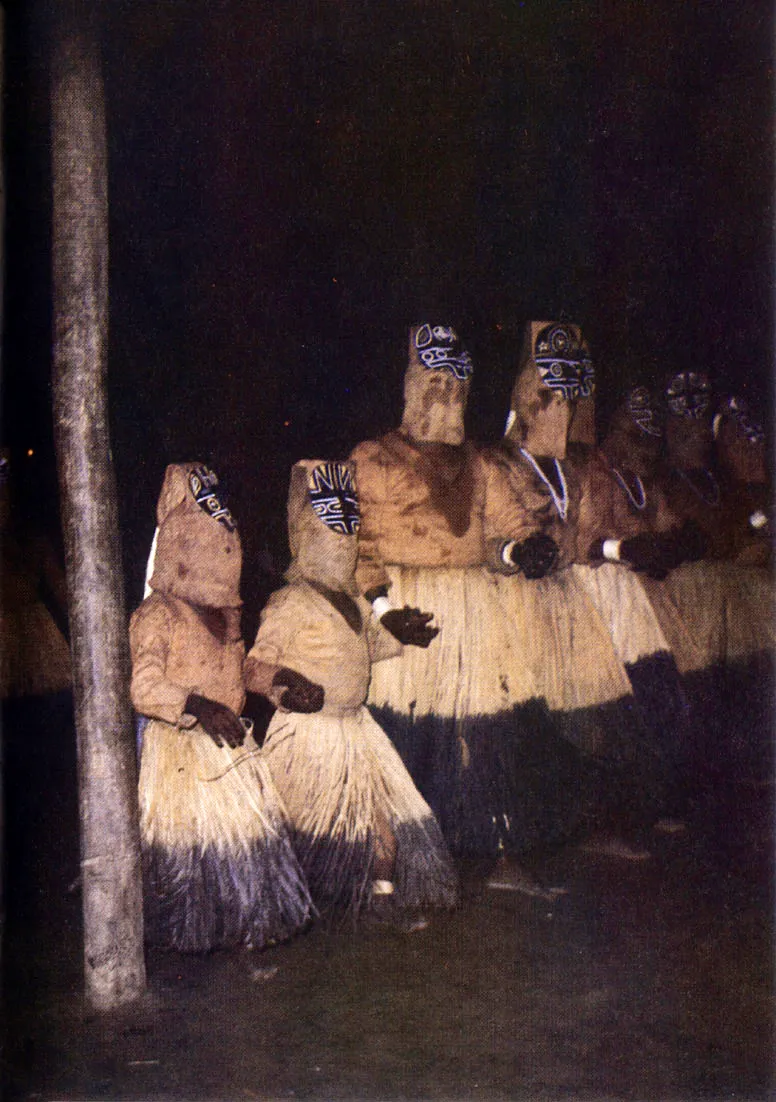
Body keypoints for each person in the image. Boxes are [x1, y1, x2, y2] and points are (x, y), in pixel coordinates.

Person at [350, 324, 569, 896]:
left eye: (457, 387)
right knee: (402, 734)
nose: (447, 397)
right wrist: (381, 610)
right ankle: (384, 869)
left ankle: (501, 855)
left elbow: (503, 531)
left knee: (488, 733)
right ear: (413, 385)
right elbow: (356, 548)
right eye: (436, 383)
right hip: (405, 611)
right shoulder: (372, 459)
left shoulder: (478, 462)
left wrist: (524, 549)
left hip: (473, 610)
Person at [245, 458, 458, 926]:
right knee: (300, 830)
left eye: (349, 526)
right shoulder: (290, 602)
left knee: (383, 827)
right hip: (308, 737)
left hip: (356, 730)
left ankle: (379, 903)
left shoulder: (357, 603)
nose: (343, 538)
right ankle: (288, 901)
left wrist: (406, 632)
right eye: (331, 525)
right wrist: (286, 683)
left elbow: (373, 648)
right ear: (306, 530)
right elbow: (255, 667)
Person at [490, 321, 663, 860]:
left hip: (566, 603)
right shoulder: (495, 463)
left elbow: (584, 538)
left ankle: (585, 827)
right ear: (528, 402)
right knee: (521, 727)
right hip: (513, 605)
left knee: (589, 718)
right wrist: (514, 552)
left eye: (569, 397)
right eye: (550, 398)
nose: (561, 409)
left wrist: (616, 550)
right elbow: (490, 534)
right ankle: (509, 854)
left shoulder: (570, 470)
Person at [130, 462, 314, 952]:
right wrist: (196, 706)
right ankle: (193, 941)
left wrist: (281, 685)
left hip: (230, 747)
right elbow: (144, 685)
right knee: (195, 857)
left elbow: (244, 673)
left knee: (245, 845)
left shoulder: (226, 618)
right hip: (181, 753)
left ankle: (244, 938)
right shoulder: (157, 614)